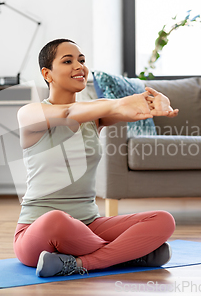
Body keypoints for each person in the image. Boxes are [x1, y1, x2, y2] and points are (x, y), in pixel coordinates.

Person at [14, 38, 179, 278]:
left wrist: (155, 102)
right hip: (37, 231)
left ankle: (81, 264)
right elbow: (69, 112)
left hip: (90, 226)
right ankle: (130, 255)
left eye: (82, 60)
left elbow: (123, 109)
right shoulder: (29, 114)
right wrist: (119, 103)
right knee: (56, 220)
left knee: (163, 220)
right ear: (47, 73)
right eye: (68, 61)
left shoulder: (95, 116)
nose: (79, 66)